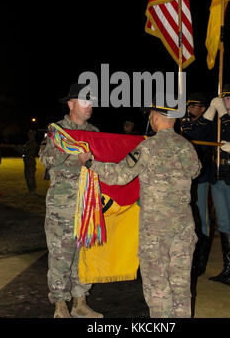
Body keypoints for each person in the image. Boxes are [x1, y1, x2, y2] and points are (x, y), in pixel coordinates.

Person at [79, 99, 201, 318]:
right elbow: (195, 172)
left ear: (155, 117)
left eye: (151, 115)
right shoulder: (187, 146)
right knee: (181, 287)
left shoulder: (147, 148)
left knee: (158, 287)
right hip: (183, 228)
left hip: (155, 231)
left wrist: (90, 163)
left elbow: (119, 176)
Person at [39, 83, 103, 319]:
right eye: (85, 101)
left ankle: (80, 301)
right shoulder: (56, 130)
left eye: (92, 102)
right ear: (71, 104)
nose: (90, 106)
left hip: (88, 207)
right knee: (60, 256)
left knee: (83, 256)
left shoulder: (95, 132)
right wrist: (69, 149)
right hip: (62, 207)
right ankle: (60, 305)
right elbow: (45, 160)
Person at [185, 84, 230, 287]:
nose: (224, 100)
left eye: (229, 97)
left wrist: (223, 113)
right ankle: (228, 268)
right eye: (222, 97)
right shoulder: (217, 123)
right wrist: (211, 112)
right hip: (217, 174)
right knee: (223, 223)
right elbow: (196, 134)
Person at [181, 93, 213, 276]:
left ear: (202, 108)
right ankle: (190, 259)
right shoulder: (184, 123)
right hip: (185, 178)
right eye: (188, 106)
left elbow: (198, 134)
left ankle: (201, 262)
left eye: (194, 106)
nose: (190, 109)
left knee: (202, 218)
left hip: (201, 176)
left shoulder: (206, 124)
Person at [15, 129, 39, 194]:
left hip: (30, 162)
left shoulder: (33, 143)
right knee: (27, 176)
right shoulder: (29, 142)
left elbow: (24, 150)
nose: (29, 136)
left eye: (31, 134)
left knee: (30, 176)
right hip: (27, 161)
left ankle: (33, 190)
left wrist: (19, 148)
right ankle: (30, 190)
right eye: (29, 134)